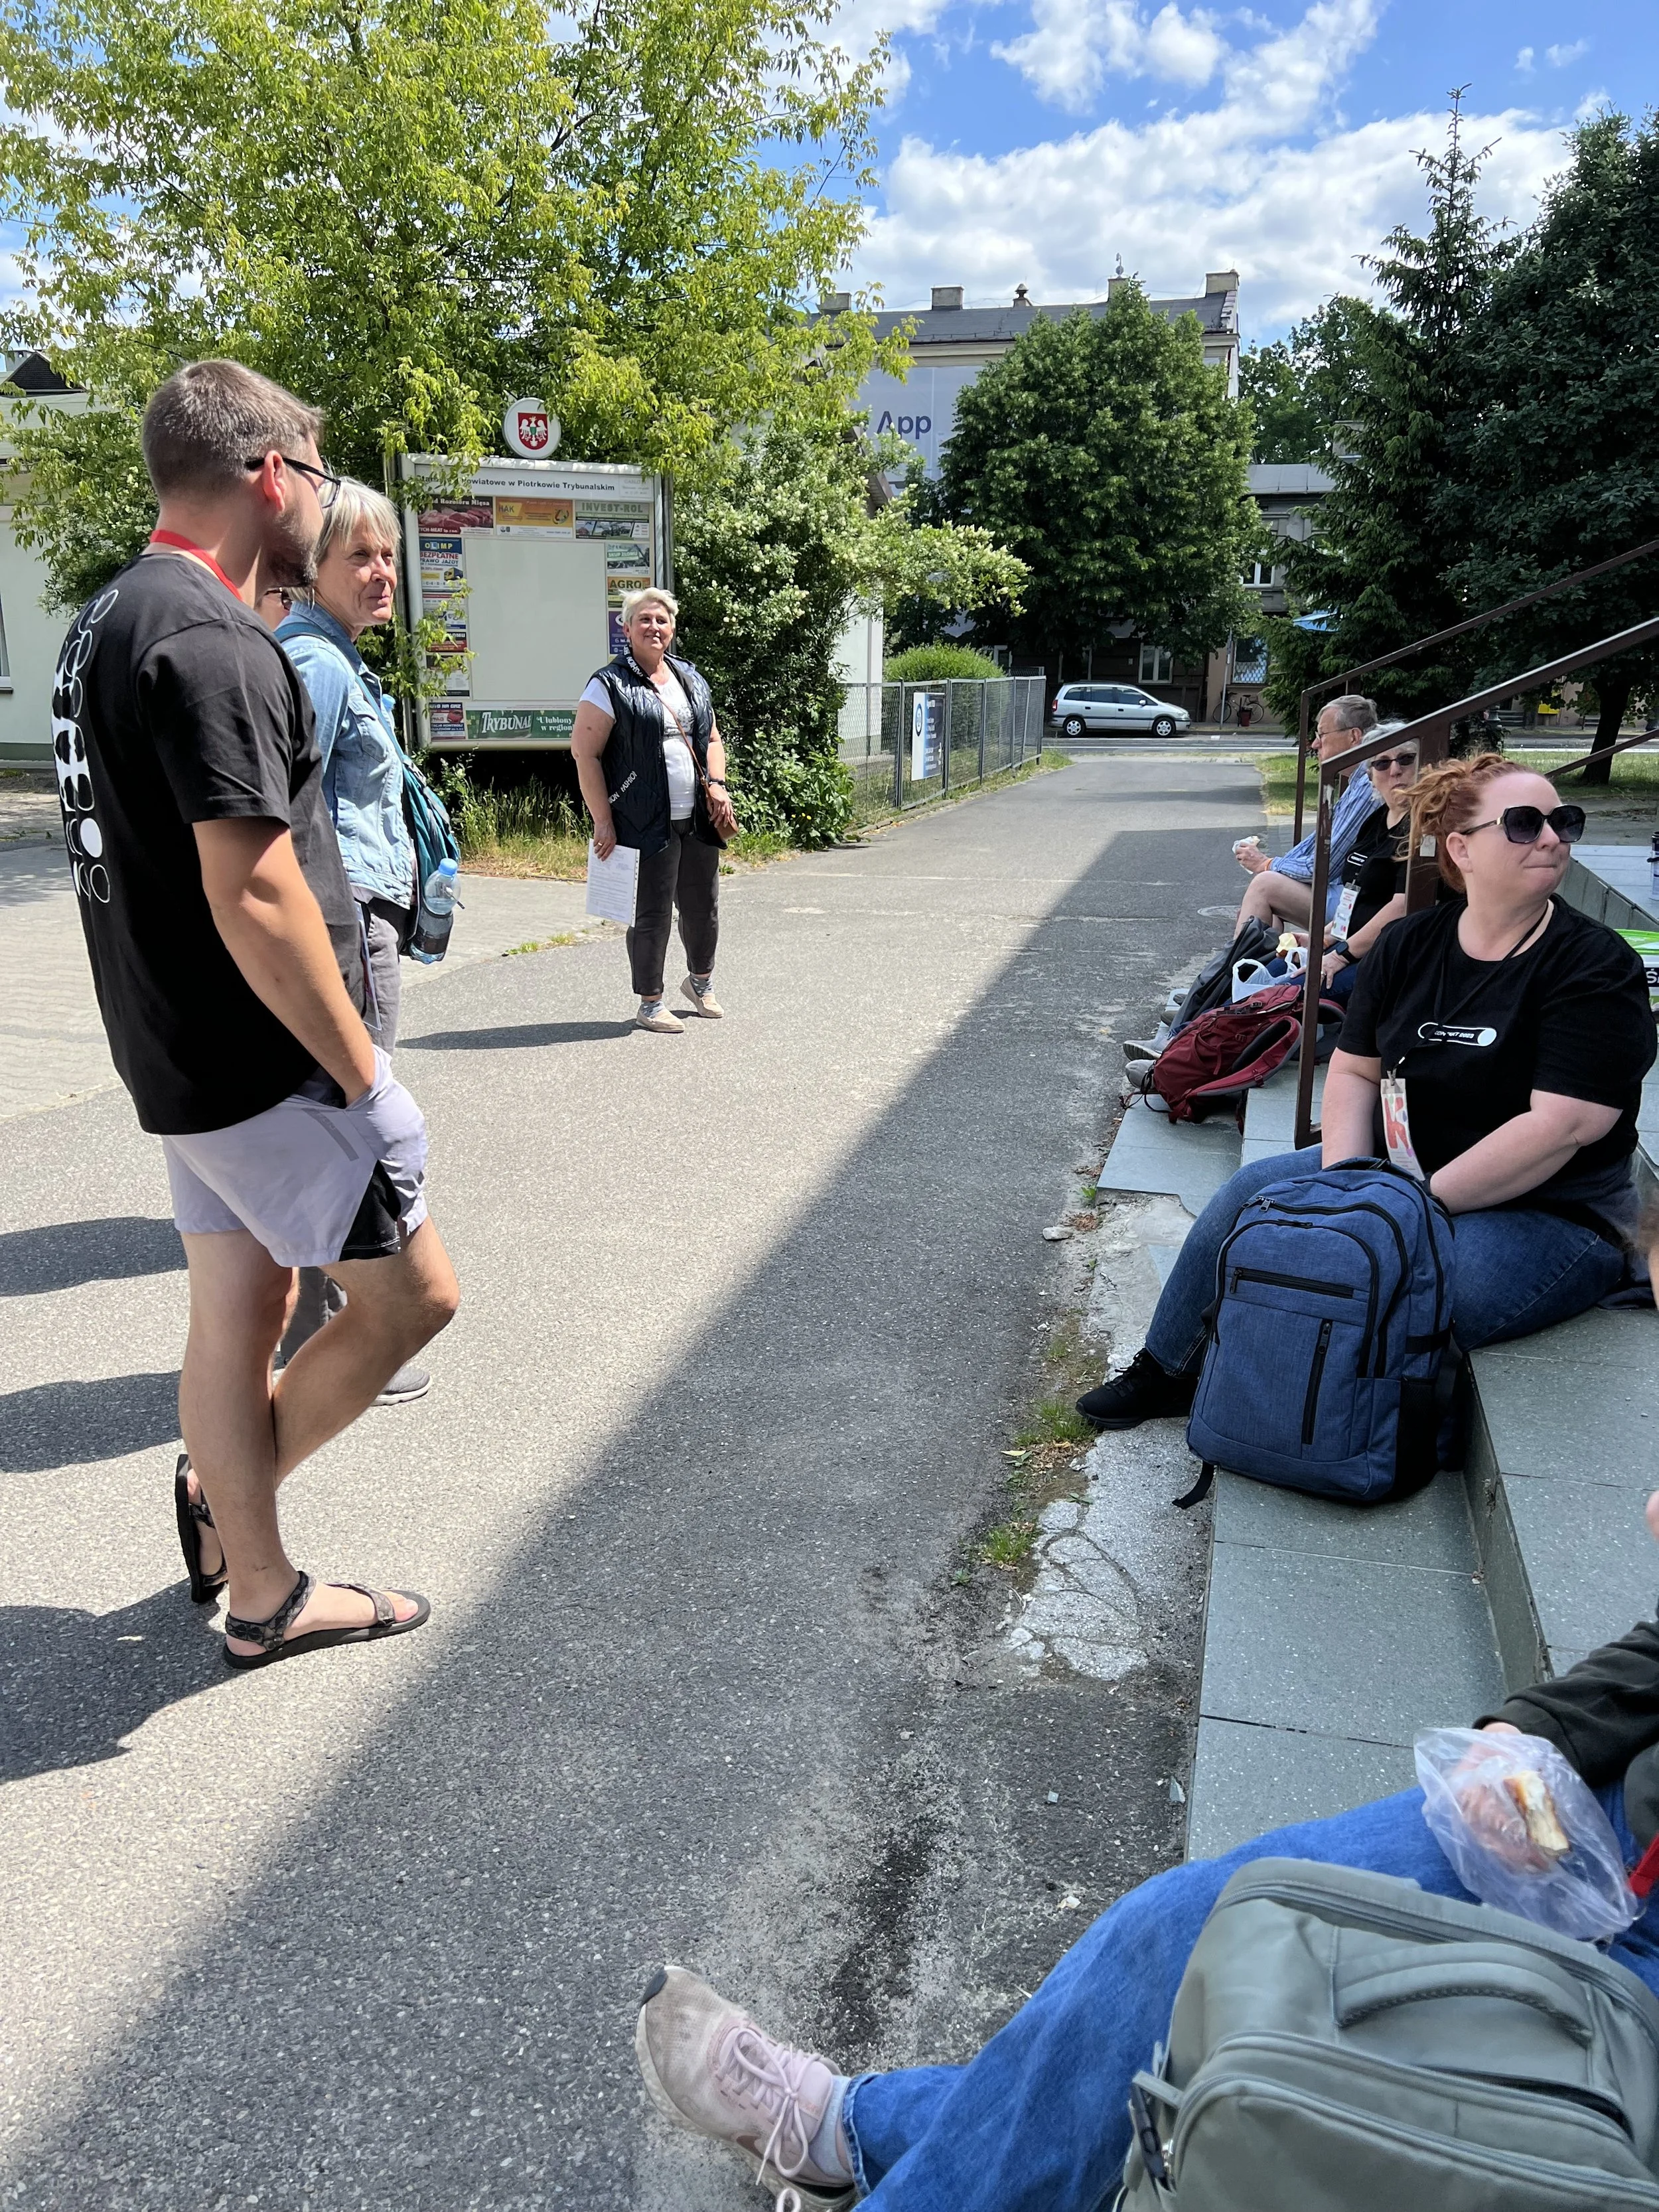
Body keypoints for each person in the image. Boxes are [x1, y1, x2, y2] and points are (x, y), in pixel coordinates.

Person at [634, 1503, 1659, 2211]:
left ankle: (856, 2132)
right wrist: (1540, 1727)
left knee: (1316, 2089)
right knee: (1195, 1935)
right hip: (1618, 1809)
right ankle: (854, 2134)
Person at [52, 357, 459, 1667]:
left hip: (177, 1051)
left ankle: (258, 1581)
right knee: (411, 1302)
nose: (325, 503)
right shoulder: (216, 639)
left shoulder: (106, 615)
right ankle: (239, 1520)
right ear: (268, 474)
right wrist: (365, 1079)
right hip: (260, 1061)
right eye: (315, 471)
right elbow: (259, 891)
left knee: (237, 1304)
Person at [1082, 755, 1656, 1429]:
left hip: (1552, 1213)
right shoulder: (1411, 943)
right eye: (1526, 824)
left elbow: (1562, 1127)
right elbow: (1354, 1072)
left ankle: (1293, 1394)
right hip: (1397, 1170)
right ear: (1460, 848)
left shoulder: (1594, 965)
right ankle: (1166, 1368)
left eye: (1564, 821)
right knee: (1245, 1195)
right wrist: (1351, 1184)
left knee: (1404, 1279)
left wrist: (1397, 1208)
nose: (1554, 838)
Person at [271, 479, 431, 1404]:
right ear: (314, 568)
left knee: (333, 1121)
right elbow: (293, 819)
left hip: (355, 917)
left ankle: (311, 1331)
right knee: (356, 1124)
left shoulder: (327, 655)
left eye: (387, 555)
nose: (380, 573)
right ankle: (350, 1335)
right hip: (346, 923)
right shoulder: (320, 666)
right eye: (359, 556)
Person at [571, 587, 737, 1033]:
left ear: (673, 627)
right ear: (626, 629)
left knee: (704, 906)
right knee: (652, 911)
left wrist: (717, 786)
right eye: (643, 619)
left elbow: (714, 739)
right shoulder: (608, 684)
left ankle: (700, 982)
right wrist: (603, 818)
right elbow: (584, 753)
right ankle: (650, 1001)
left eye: (661, 620)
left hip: (697, 817)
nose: (654, 627)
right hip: (644, 819)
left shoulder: (690, 679)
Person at [1234, 693, 1380, 934]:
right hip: (1349, 893)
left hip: (1360, 905)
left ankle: (1234, 970)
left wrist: (1266, 864)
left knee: (1264, 887)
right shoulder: (1357, 782)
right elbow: (1313, 847)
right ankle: (1249, 967)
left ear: (1354, 737)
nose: (1315, 744)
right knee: (1261, 901)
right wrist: (1271, 865)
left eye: (1322, 735)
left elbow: (1322, 867)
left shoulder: (1368, 785)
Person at [1319, 721, 1418, 995]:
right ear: (1371, 775)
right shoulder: (1376, 820)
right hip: (1350, 945)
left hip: (1385, 959)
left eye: (1406, 759)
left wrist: (1341, 955)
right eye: (1382, 764)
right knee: (1264, 968)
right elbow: (1355, 894)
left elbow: (1403, 905)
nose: (1395, 770)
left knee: (1284, 993)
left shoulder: (1423, 827)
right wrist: (1328, 937)